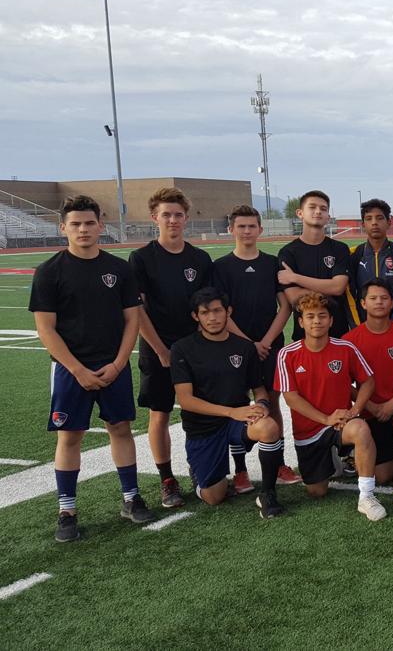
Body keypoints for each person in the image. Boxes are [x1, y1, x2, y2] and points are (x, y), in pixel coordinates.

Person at [30, 195, 154, 541]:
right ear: (63, 228)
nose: (83, 229)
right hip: (71, 370)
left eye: (89, 223)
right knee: (70, 437)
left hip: (112, 366)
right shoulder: (50, 271)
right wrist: (78, 370)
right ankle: (67, 511)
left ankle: (131, 498)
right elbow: (46, 329)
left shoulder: (118, 269)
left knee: (120, 428)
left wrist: (117, 364)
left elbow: (133, 320)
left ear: (101, 225)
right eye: (75, 224)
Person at [129, 187, 213, 508]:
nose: (173, 220)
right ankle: (167, 479)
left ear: (186, 218)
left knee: (198, 412)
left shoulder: (199, 259)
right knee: (160, 413)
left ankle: (199, 468)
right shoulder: (141, 259)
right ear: (155, 218)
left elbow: (207, 308)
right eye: (166, 214)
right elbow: (137, 311)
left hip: (194, 349)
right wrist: (162, 350)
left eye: (178, 214)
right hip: (158, 349)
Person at [171, 288, 286, 518]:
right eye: (205, 313)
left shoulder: (244, 348)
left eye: (217, 311)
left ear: (228, 312)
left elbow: (259, 390)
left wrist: (262, 406)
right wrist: (232, 412)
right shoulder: (182, 349)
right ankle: (199, 472)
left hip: (237, 421)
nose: (212, 318)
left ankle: (268, 494)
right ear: (196, 316)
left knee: (269, 426)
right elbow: (186, 400)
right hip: (203, 426)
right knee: (215, 496)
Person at [211, 204, 300, 492]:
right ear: (231, 229)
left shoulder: (271, 263)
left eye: (252, 226)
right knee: (239, 405)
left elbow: (285, 306)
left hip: (270, 346)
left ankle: (279, 463)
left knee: (272, 404)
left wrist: (265, 341)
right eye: (241, 226)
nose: (247, 231)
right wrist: (248, 344)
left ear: (260, 229)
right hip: (233, 347)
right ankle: (240, 470)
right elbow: (222, 311)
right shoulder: (220, 267)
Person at [275, 293, 387, 521]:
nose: (317, 321)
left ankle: (366, 497)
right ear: (301, 322)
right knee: (317, 492)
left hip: (340, 425)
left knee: (361, 429)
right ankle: (333, 460)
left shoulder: (345, 348)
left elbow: (368, 382)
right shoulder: (287, 354)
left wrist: (354, 412)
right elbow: (291, 399)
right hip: (309, 430)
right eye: (310, 316)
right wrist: (326, 419)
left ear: (331, 321)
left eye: (322, 316)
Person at [343, 280, 393, 499]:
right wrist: (369, 405)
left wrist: (392, 404)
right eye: (373, 298)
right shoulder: (350, 341)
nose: (379, 302)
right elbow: (344, 383)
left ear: (392, 303)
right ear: (363, 304)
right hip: (368, 408)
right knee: (380, 475)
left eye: (384, 298)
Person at [278, 190, 353, 340]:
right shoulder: (288, 252)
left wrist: (296, 278)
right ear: (300, 213)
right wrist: (329, 287)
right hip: (303, 335)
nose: (318, 211)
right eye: (312, 207)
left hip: (339, 334)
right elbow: (294, 298)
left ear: (328, 217)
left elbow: (338, 288)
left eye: (323, 209)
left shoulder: (340, 249)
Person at [347, 198, 393, 328]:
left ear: (389, 222)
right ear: (363, 224)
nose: (374, 223)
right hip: (363, 329)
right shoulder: (353, 255)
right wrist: (358, 328)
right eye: (369, 218)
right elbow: (349, 296)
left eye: (379, 218)